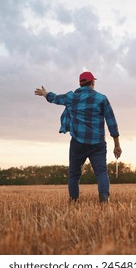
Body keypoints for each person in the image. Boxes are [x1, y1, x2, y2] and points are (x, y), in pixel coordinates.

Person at [34, 71, 122, 203]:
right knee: (101, 173)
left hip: (77, 143)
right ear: (92, 83)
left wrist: (45, 93)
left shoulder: (72, 97)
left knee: (74, 175)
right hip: (97, 143)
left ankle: (73, 202)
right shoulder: (101, 98)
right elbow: (111, 122)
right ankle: (104, 201)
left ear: (80, 84)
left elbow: (55, 98)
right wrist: (117, 145)